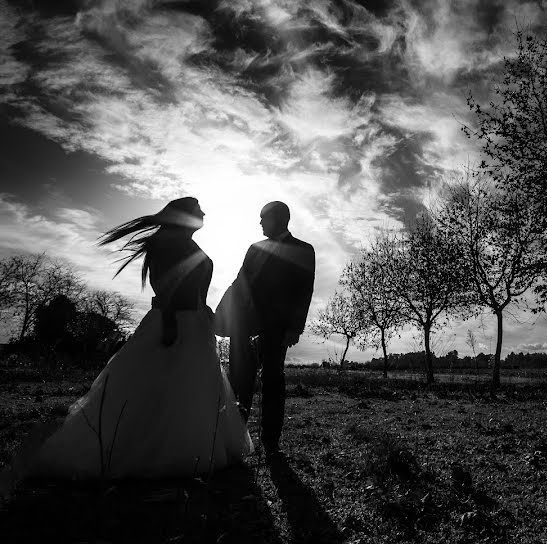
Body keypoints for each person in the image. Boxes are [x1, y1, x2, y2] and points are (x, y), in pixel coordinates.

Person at [5, 198, 251, 484]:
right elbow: (165, 283)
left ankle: (186, 445)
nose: (204, 212)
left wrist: (204, 310)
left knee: (190, 386)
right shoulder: (168, 243)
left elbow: (189, 285)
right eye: (197, 209)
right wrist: (170, 320)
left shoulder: (182, 243)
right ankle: (154, 450)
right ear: (184, 215)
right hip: (174, 321)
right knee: (159, 384)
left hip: (193, 322)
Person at [215, 201, 315, 453]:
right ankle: (236, 439)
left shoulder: (303, 250)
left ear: (279, 218)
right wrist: (220, 317)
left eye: (263, 218)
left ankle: (270, 442)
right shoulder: (254, 249)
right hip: (244, 326)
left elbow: (304, 292)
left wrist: (295, 328)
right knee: (239, 380)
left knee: (272, 381)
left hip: (277, 329)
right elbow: (239, 283)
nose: (259, 222)